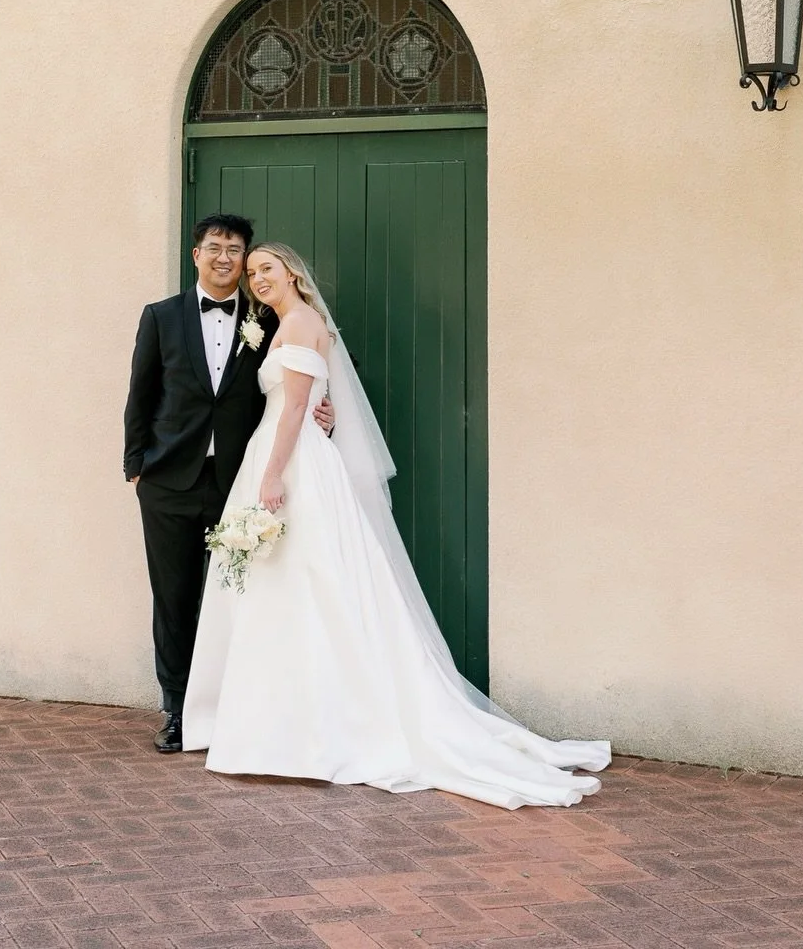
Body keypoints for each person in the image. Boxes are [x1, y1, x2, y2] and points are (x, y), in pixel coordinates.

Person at [182, 242, 611, 809]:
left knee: (310, 586)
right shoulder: (285, 323)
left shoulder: (303, 320)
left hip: (290, 463)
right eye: (253, 271)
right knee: (290, 587)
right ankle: (283, 726)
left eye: (268, 268)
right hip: (290, 453)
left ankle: (309, 734)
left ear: (292, 273)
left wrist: (273, 475)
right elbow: (310, 405)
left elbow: (292, 409)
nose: (258, 278)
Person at [122, 214, 333, 753]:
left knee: (240, 594)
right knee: (173, 597)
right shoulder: (161, 317)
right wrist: (136, 465)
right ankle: (176, 711)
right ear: (196, 255)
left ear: (244, 260)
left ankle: (231, 709)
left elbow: (297, 380)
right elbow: (141, 394)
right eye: (214, 247)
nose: (224, 257)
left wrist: (321, 411)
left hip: (240, 480)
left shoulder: (268, 320)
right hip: (169, 480)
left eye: (234, 250)